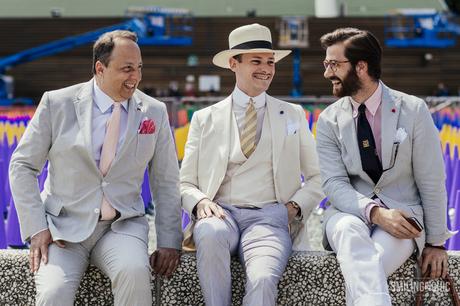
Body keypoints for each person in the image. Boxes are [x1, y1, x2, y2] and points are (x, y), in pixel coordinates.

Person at [9, 30, 182, 306]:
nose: (135, 77)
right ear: (100, 68)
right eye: (126, 69)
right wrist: (37, 228)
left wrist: (169, 240)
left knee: (135, 273)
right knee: (53, 294)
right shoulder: (57, 103)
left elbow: (166, 181)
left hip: (121, 228)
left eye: (139, 68)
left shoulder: (155, 112)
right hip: (62, 230)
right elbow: (22, 165)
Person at [180, 23, 323, 306]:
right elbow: (185, 182)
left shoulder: (293, 114)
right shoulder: (205, 118)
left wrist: (292, 208)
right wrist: (199, 202)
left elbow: (318, 176)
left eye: (270, 62)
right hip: (221, 215)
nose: (266, 69)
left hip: (270, 219)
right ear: (233, 63)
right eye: (256, 61)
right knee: (208, 231)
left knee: (263, 279)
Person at [316, 27, 454, 306]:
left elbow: (431, 178)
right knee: (346, 230)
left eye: (334, 64)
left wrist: (436, 243)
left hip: (405, 220)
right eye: (326, 63)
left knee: (369, 267)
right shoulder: (328, 120)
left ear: (361, 67)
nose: (327, 72)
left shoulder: (413, 110)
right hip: (348, 213)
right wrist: (377, 213)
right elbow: (333, 183)